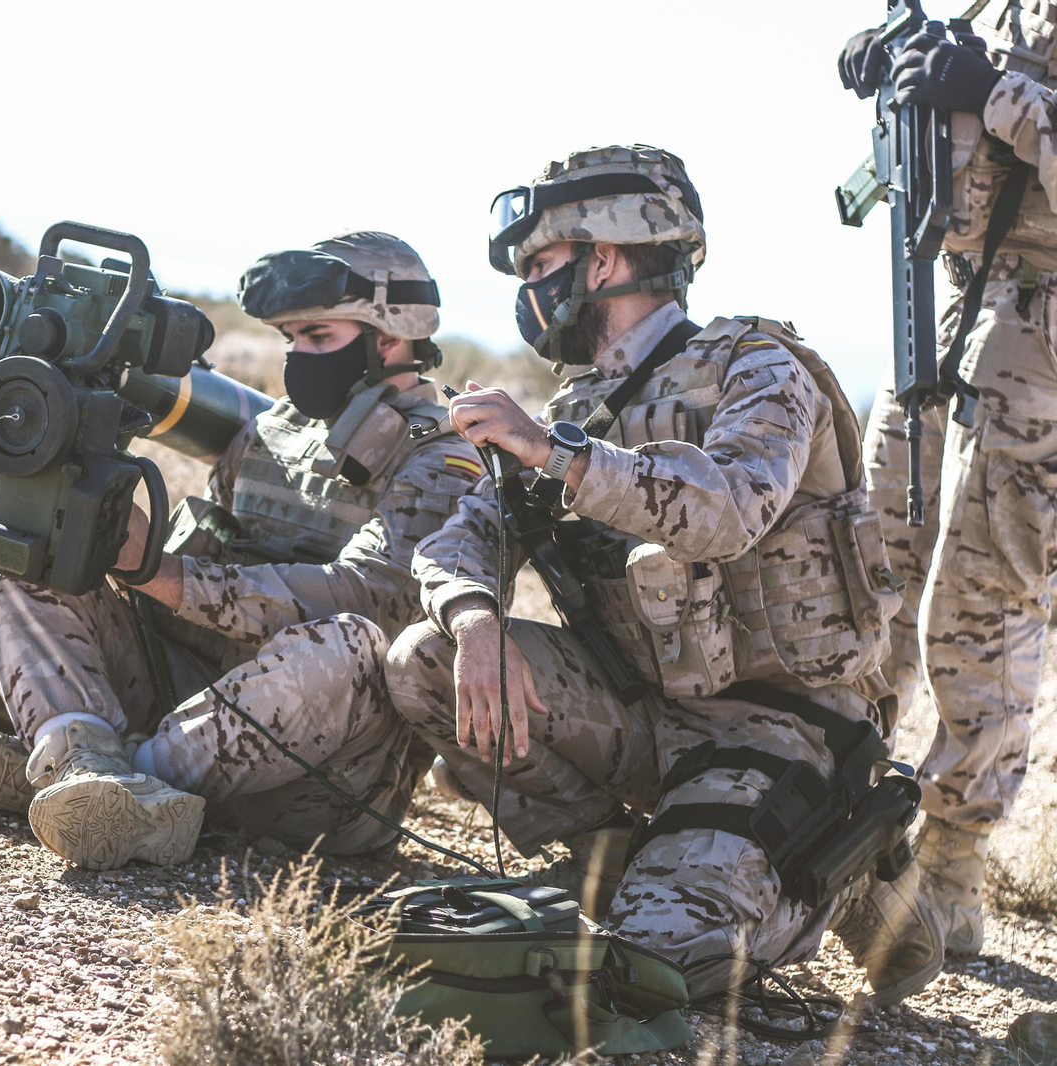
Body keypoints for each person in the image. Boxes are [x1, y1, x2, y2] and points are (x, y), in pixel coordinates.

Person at [385, 144, 945, 1004]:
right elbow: (463, 541)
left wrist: (557, 455)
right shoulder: (574, 411)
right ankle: (620, 856)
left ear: (603, 258)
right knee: (422, 660)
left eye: (541, 264)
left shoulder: (757, 366)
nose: (528, 291)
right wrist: (474, 618)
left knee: (659, 962)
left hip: (777, 728)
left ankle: (843, 866)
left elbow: (730, 508)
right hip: (644, 719)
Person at [0, 232, 483, 870]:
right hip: (189, 698)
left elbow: (375, 598)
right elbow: (203, 555)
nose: (300, 357)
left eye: (321, 338)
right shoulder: (270, 434)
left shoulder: (439, 456)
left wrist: (159, 572)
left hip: (325, 779)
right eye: (292, 339)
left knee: (350, 640)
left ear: (391, 339)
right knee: (24, 561)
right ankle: (86, 766)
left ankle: (99, 784)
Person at [839, 6, 1057, 956]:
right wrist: (902, 71)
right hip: (948, 298)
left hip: (1041, 334)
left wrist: (996, 94)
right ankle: (841, 821)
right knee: (864, 569)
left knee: (976, 608)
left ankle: (948, 878)